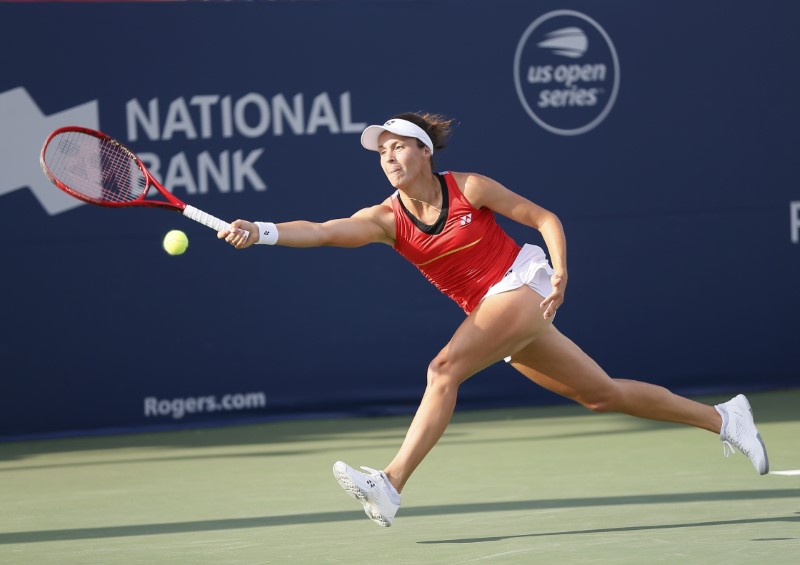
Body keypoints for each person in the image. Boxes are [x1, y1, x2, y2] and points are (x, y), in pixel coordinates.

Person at [218, 112, 769, 528]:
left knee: (442, 370)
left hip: (524, 283)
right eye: (381, 151)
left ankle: (389, 483)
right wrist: (261, 230)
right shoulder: (384, 219)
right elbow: (320, 229)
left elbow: (543, 218)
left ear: (425, 152)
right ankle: (726, 419)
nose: (388, 156)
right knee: (603, 394)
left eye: (398, 146)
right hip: (491, 310)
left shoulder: (470, 188)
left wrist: (562, 272)